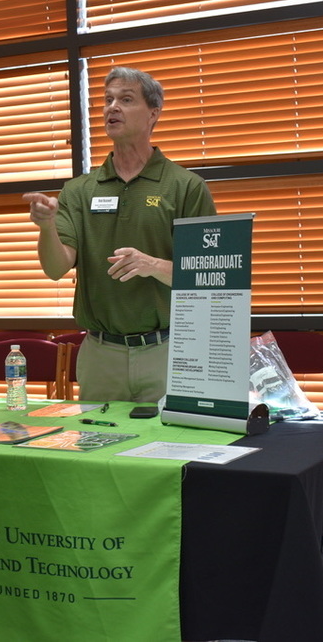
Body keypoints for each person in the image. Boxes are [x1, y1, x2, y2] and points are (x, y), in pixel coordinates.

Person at [24, 66, 216, 404]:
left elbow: (207, 275)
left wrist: (153, 265)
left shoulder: (186, 186)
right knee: (97, 449)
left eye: (126, 100)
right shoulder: (79, 190)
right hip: (101, 355)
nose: (113, 107)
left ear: (153, 113)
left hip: (168, 351)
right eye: (108, 100)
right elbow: (56, 268)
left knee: (169, 451)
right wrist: (47, 226)